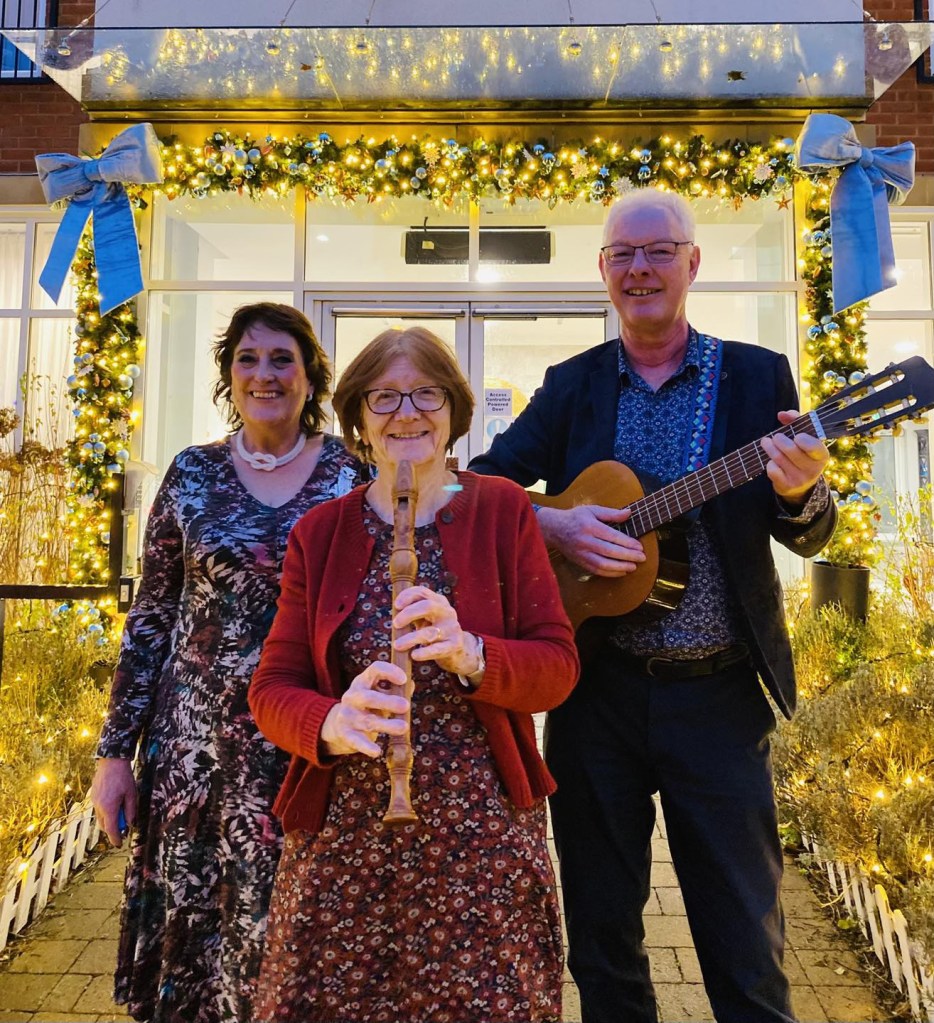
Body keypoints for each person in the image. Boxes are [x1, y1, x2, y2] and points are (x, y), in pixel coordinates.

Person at [469, 190, 836, 1023]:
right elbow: (480, 488)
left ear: (692, 263)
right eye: (622, 255)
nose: (640, 269)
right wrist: (554, 522)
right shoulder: (573, 387)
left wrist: (802, 492)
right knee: (602, 936)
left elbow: (807, 530)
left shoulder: (755, 376)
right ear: (602, 272)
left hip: (720, 695)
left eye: (659, 251)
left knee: (745, 939)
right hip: (597, 691)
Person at [248, 325, 580, 1023]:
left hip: (479, 835)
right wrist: (332, 721)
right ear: (358, 420)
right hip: (346, 839)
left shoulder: (503, 509)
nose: (407, 412)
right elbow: (272, 688)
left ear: (455, 412)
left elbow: (556, 668)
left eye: (427, 393)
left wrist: (471, 653)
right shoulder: (321, 531)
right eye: (384, 397)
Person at [90, 302, 366, 1023]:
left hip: (306, 745)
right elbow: (150, 619)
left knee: (297, 931)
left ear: (311, 378)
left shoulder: (353, 474)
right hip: (194, 752)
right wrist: (115, 755)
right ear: (228, 375)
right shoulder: (190, 474)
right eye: (248, 358)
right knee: (200, 937)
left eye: (283, 359)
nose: (264, 373)